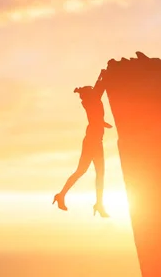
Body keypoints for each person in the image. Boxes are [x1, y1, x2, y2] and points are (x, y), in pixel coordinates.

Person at [53, 70, 112, 217]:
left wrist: (103, 74)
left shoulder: (91, 100)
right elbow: (100, 87)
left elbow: (99, 88)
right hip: (94, 141)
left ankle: (62, 195)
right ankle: (98, 203)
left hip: (92, 140)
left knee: (83, 171)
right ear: (89, 94)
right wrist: (106, 72)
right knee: (97, 174)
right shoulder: (92, 100)